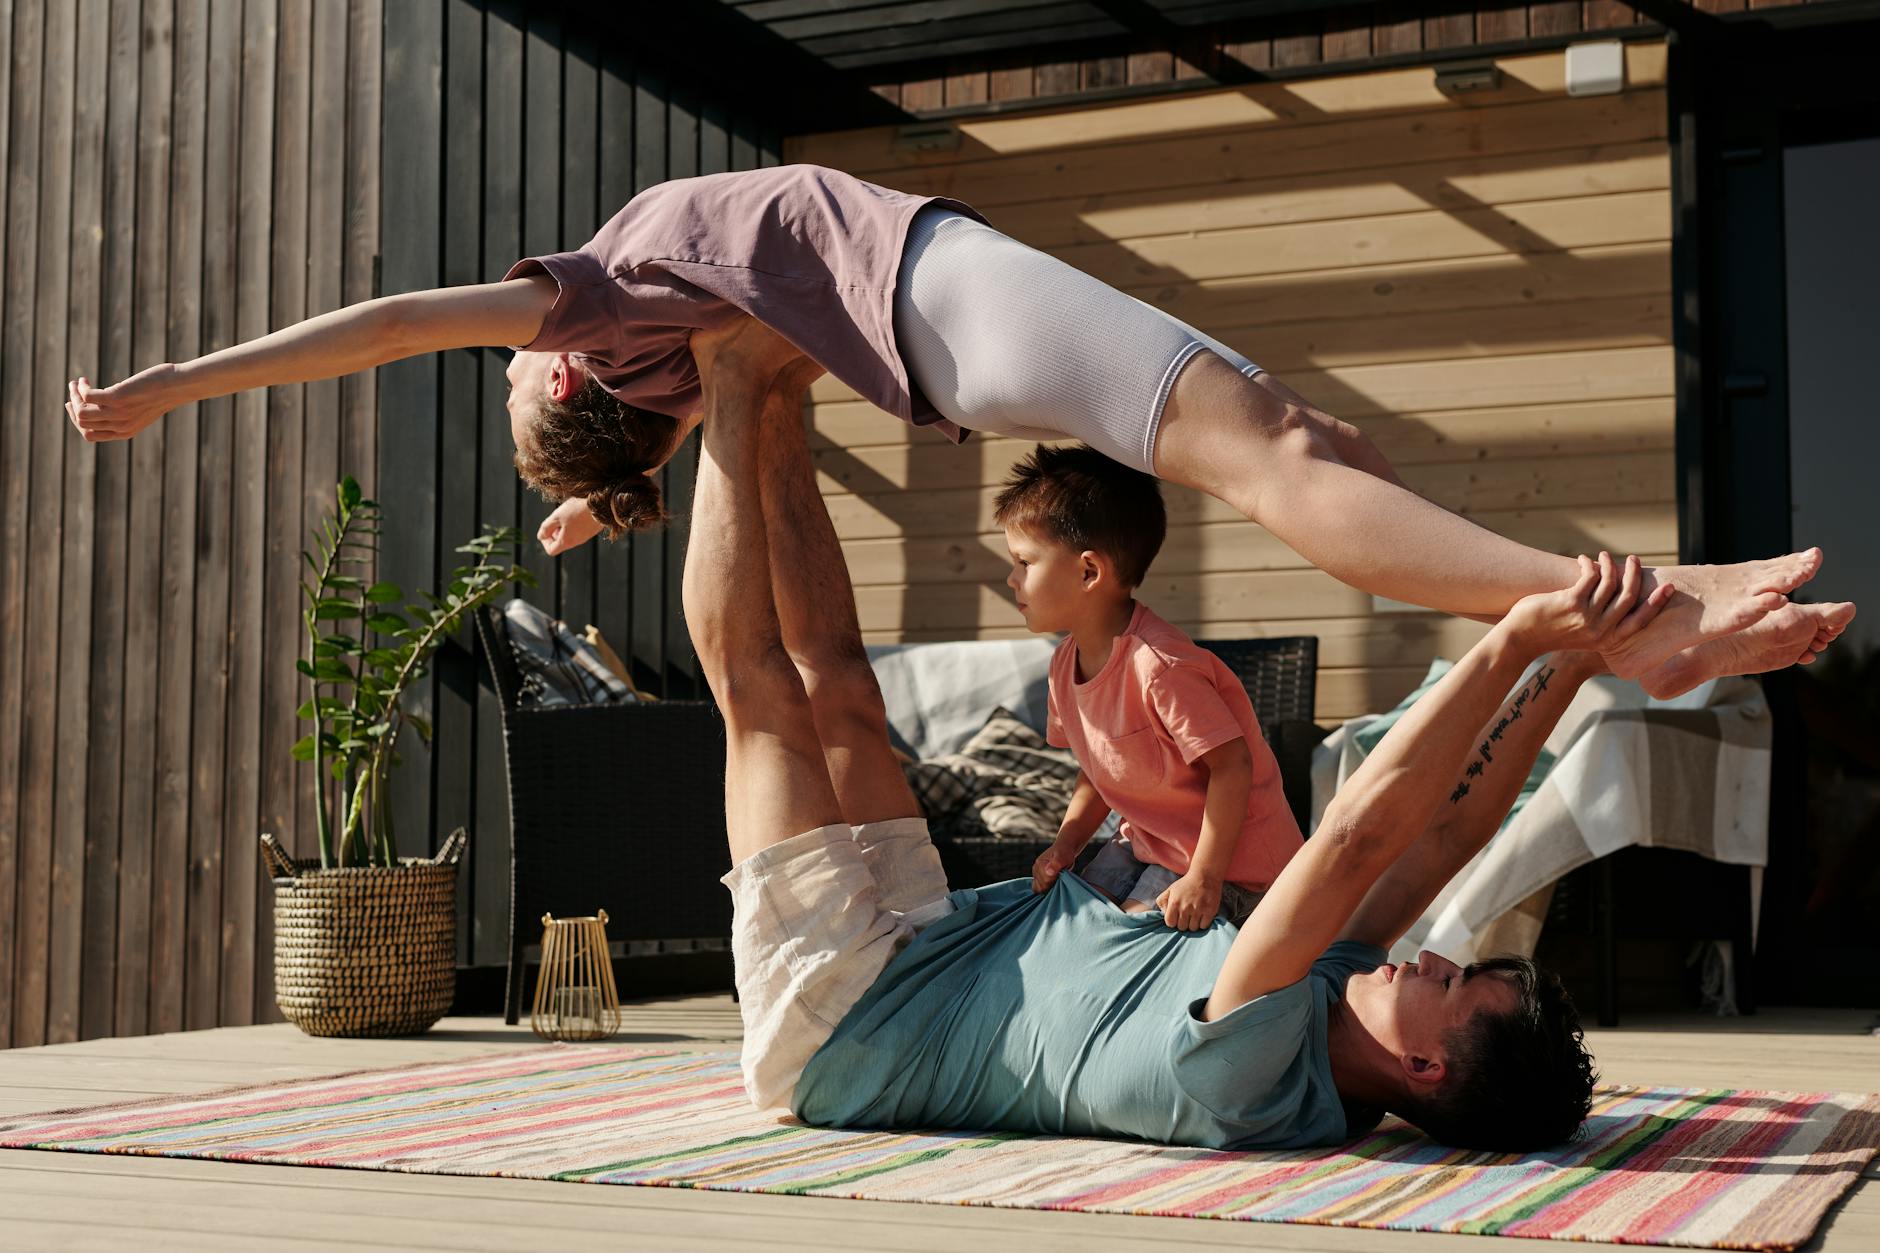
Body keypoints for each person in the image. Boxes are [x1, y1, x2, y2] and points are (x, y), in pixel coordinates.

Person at [62, 164, 1848, 694]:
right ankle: (1641, 611)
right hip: (955, 303)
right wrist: (175, 384)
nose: (508, 361)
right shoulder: (595, 300)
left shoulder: (656, 354)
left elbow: (644, 447)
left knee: (1307, 439)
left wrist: (601, 510)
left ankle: (1631, 611)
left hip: (957, 327)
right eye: (525, 379)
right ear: (567, 376)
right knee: (1282, 458)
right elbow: (386, 324)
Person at [684, 313, 1674, 1152]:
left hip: (848, 1022)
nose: (1429, 958)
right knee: (841, 685)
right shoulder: (1339, 1003)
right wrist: (1572, 665)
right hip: (940, 943)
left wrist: (1512, 639)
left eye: (1447, 985)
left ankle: (726, 379)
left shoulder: (1251, 1075)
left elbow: (1356, 838)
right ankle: (776, 402)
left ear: (1423, 1066)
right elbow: (1446, 835)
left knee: (762, 695)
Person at [994, 444, 1300, 930]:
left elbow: (1232, 766)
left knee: (1121, 939)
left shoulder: (1161, 667)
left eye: (1024, 562)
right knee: (1070, 923)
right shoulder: (1063, 664)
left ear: (1089, 571)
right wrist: (1066, 844)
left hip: (1234, 868)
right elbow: (1099, 769)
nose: (1012, 579)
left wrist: (1205, 878)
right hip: (1150, 842)